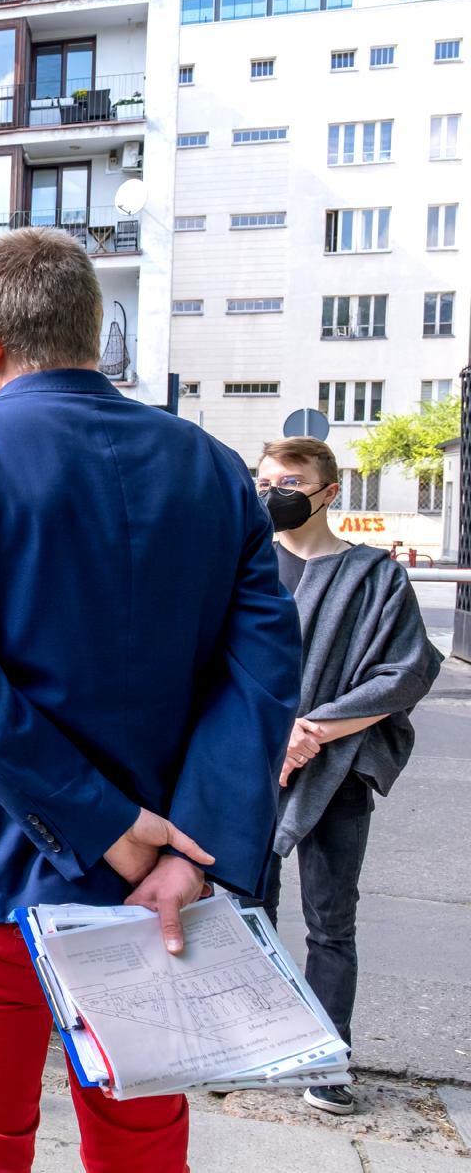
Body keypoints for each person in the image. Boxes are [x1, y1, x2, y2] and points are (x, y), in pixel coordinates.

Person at [0, 229, 301, 1171]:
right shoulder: (213, 468)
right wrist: (188, 851)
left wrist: (107, 821)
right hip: (157, 892)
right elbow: (263, 675)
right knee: (143, 1155)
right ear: (92, 332)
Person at [253, 435, 441, 1117]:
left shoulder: (373, 574)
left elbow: (408, 669)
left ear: (329, 491)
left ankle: (327, 1055)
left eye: (291, 480)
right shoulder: (246, 566)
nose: (275, 491)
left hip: (338, 769)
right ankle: (257, 1041)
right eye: (266, 478)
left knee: (331, 919)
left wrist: (316, 729)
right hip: (251, 765)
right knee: (250, 912)